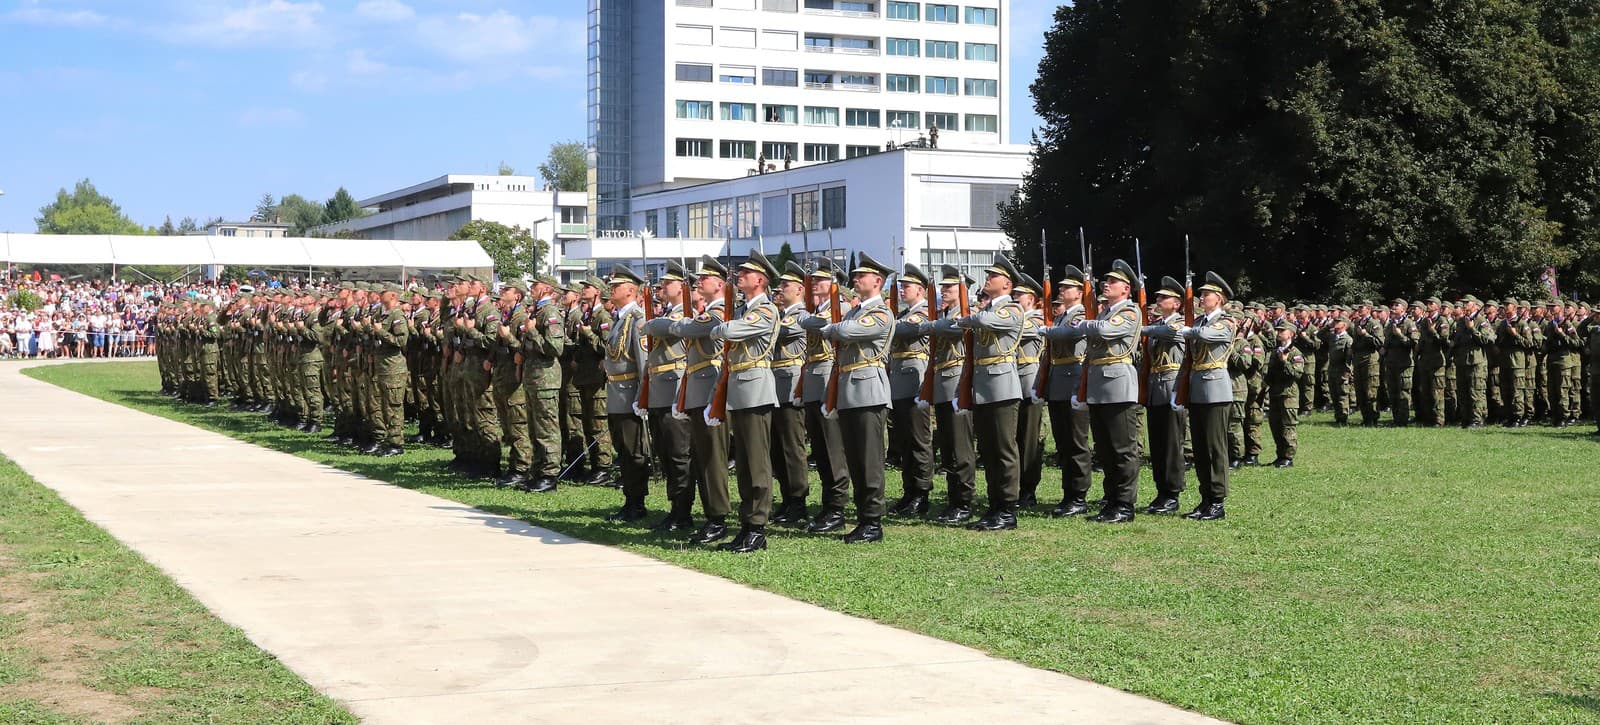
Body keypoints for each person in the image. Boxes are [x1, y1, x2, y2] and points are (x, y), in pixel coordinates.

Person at [798, 252, 895, 543]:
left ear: (877, 282)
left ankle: (873, 521)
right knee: (854, 459)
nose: (855, 279)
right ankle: (864, 517)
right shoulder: (854, 311)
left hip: (868, 392)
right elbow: (833, 325)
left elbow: (847, 331)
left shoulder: (879, 314)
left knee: (869, 461)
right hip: (849, 391)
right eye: (855, 275)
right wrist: (830, 326)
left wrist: (829, 328)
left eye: (861, 276)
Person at [709, 251, 782, 552]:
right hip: (740, 390)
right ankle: (747, 523)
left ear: (761, 280)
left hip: (755, 391)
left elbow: (728, 330)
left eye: (746, 273)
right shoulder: (742, 309)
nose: (739, 276)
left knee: (757, 463)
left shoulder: (765, 311)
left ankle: (758, 527)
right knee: (743, 464)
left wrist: (721, 327)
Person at [953, 254, 1025, 531]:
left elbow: (984, 321)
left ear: (1006, 284)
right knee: (990, 451)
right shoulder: (987, 310)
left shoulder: (1012, 309)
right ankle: (995, 505)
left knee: (1004, 450)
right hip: (984, 386)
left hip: (1002, 387)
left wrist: (967, 317)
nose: (987, 279)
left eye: (993, 276)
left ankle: (1007, 508)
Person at [666, 256, 733, 546]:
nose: (698, 283)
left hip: (710, 390)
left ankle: (718, 518)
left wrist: (681, 322)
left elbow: (688, 329)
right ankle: (710, 515)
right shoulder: (705, 311)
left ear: (719, 284)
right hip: (697, 388)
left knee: (713, 460)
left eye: (704, 279)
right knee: (702, 457)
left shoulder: (718, 312)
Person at [1073, 259, 1143, 524]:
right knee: (1104, 449)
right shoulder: (1102, 312)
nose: (1106, 284)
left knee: (1123, 448)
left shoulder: (1129, 312)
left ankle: (1125, 504)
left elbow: (1105, 330)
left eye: (1112, 281)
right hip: (1099, 384)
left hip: (1118, 385)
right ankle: (1111, 499)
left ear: (1126, 289)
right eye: (1106, 281)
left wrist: (1084, 324)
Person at [639, 262, 695, 532]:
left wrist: (650, 322)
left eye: (668, 283)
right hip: (661, 389)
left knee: (679, 454)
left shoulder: (686, 313)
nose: (662, 287)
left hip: (675, 387)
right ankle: (674, 507)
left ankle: (683, 510)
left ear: (682, 288)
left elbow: (658, 328)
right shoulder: (667, 313)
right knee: (665, 453)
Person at [1176, 272, 1236, 520]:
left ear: (1219, 298)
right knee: (1200, 448)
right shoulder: (1199, 321)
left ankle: (1217, 501)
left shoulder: (1226, 321)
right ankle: (1205, 497)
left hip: (1215, 390)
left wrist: (1186, 329)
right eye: (1200, 294)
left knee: (1215, 448)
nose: (1201, 298)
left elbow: (1206, 336)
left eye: (1206, 294)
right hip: (1198, 389)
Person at [921, 265, 979, 524]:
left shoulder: (968, 313)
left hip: (958, 385)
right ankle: (953, 499)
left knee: (961, 448)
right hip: (942, 385)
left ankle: (964, 501)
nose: (944, 290)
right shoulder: (943, 314)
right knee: (947, 447)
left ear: (963, 290)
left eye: (949, 286)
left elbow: (955, 329)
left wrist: (933, 323)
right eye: (942, 286)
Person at [601, 265, 652, 522]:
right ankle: (630, 500)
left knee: (634, 452)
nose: (612, 289)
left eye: (616, 286)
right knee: (623, 450)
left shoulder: (637, 319)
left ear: (631, 290)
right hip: (616, 394)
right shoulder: (621, 318)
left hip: (629, 393)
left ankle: (637, 503)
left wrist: (641, 397)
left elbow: (643, 364)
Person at [1042, 265, 1092, 517]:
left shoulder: (1081, 313)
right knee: (1063, 442)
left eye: (1067, 287)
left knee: (1076, 442)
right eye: (1061, 287)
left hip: (1074, 379)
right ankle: (1068, 493)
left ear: (1080, 292)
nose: (1061, 290)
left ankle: (1079, 494)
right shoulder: (1061, 315)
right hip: (1058, 381)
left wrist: (1047, 330)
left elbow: (1071, 335)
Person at [886, 263, 934, 517]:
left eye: (908, 286)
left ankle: (921, 492)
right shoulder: (904, 313)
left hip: (915, 382)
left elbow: (906, 330)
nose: (903, 289)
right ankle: (909, 491)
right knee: (904, 441)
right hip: (900, 384)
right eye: (902, 285)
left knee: (919, 441)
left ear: (921, 291)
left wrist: (883, 324)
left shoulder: (922, 314)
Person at [769, 262, 812, 524]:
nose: (780, 289)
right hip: (775, 386)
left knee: (792, 447)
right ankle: (787, 499)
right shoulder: (781, 314)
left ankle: (798, 501)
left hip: (791, 385)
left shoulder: (800, 316)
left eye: (785, 285)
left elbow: (779, 334)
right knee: (777, 448)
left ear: (799, 289)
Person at [1140, 276, 1187, 514]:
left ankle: (1173, 493)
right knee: (1157, 445)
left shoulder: (1179, 324)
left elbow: (1167, 333)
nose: (1158, 300)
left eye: (1164, 297)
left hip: (1171, 387)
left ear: (1177, 304)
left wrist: (1139, 327)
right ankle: (1161, 491)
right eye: (1157, 297)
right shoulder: (1158, 323)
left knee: (1171, 444)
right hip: (1155, 388)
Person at [1266, 321, 1304, 467]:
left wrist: (1284, 362)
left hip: (1288, 395)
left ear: (1291, 334)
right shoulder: (1276, 351)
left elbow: (1296, 374)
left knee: (1288, 426)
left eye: (1283, 330)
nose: (1279, 332)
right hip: (1275, 392)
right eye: (1278, 330)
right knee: (1275, 426)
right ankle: (1280, 455)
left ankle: (1288, 457)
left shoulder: (1294, 353)